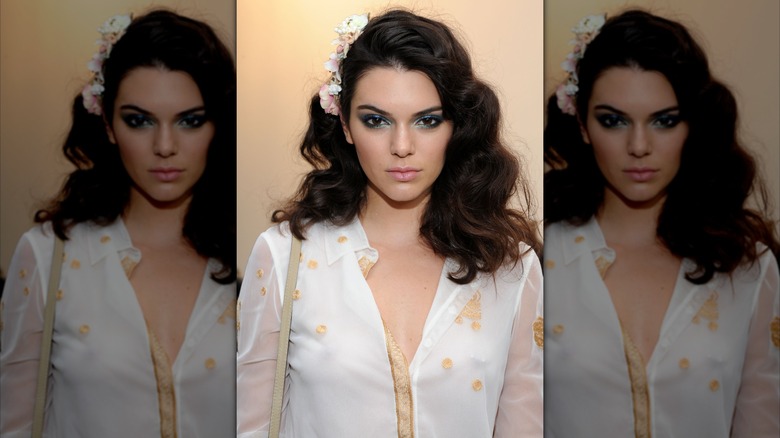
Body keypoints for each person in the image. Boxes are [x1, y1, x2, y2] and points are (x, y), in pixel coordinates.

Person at [237, 9, 543, 437]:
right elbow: (250, 425)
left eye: (427, 120)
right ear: (344, 124)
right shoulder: (285, 255)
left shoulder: (510, 265)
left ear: (456, 126)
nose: (402, 146)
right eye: (376, 120)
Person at [543, 9, 780, 438]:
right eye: (613, 120)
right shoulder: (538, 258)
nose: (639, 146)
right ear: (581, 123)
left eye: (664, 121)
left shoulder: (747, 265)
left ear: (692, 125)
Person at [0, 9, 236, 437]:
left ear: (218, 126)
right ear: (108, 124)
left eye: (190, 120)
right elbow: (12, 423)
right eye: (139, 120)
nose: (165, 146)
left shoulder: (253, 258)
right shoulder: (48, 255)